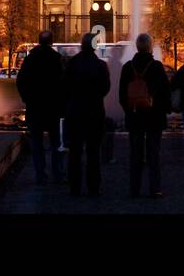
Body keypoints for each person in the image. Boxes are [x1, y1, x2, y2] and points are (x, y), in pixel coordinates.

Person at [119, 33, 170, 197]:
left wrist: (129, 111)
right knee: (154, 153)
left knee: (135, 153)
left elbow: (122, 95)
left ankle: (134, 188)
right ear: (150, 47)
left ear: (136, 47)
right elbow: (165, 92)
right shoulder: (156, 66)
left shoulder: (128, 67)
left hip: (135, 116)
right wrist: (164, 110)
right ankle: (155, 188)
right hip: (154, 118)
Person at [63, 33, 110, 196]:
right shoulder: (101, 65)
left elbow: (65, 88)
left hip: (75, 112)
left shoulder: (72, 63)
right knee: (93, 152)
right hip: (94, 112)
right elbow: (105, 88)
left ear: (82, 45)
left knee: (75, 152)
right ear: (94, 46)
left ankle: (74, 186)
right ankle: (93, 186)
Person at [16, 31, 66, 184]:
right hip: (53, 108)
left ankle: (40, 174)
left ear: (39, 41)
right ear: (51, 42)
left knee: (37, 143)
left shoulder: (30, 59)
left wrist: (27, 98)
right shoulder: (57, 59)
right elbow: (64, 84)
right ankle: (57, 173)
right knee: (56, 143)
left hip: (35, 107)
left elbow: (21, 81)